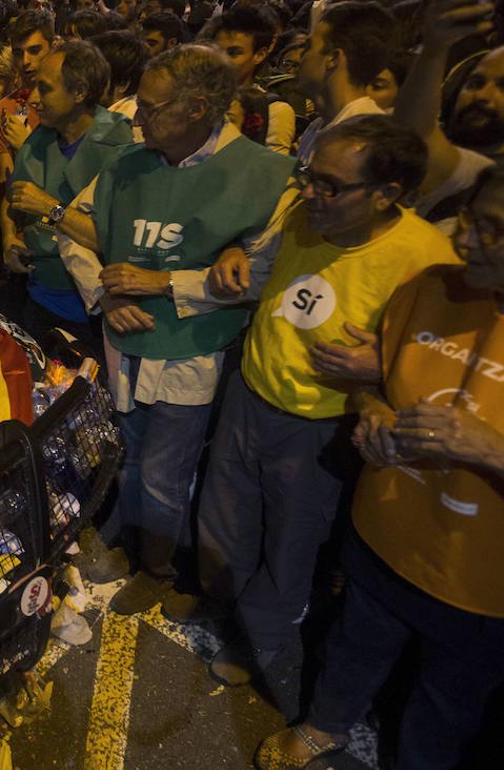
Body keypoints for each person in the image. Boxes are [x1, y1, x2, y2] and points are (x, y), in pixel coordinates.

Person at [172, 115, 460, 691]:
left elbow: (447, 361)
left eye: (329, 185)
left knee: (292, 540)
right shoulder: (305, 215)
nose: (308, 193)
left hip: (323, 425)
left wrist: (386, 365)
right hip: (252, 393)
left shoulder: (427, 259)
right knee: (227, 516)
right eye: (308, 175)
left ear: (386, 194)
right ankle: (223, 601)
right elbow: (259, 264)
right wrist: (234, 251)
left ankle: (262, 636)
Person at [254, 164, 504, 770]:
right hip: (385, 533)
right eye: (471, 220)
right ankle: (324, 726)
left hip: (482, 584)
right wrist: (371, 412)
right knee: (354, 645)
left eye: (494, 230)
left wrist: (488, 449)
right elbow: (375, 381)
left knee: (445, 708)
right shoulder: (433, 287)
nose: (468, 240)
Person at [58, 45, 296, 607]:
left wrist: (163, 282)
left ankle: (159, 565)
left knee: (168, 471)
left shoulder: (264, 176)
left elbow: (259, 276)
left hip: (193, 350)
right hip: (125, 336)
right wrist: (105, 295)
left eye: (152, 107)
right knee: (129, 452)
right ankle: (132, 537)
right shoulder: (129, 162)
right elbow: (71, 229)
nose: (137, 119)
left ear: (198, 108)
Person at [2, 41, 134, 355]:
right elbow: (14, 197)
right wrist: (9, 238)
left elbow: (118, 240)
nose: (33, 99)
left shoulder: (120, 146)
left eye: (45, 89)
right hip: (38, 299)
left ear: (79, 92)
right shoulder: (41, 139)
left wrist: (50, 207)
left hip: (94, 312)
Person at [395, 0, 500, 231]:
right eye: (475, 83)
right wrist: (434, 50)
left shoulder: (487, 172)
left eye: (503, 88)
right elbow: (411, 136)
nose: (482, 95)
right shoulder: (469, 166)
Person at [294, 1, 398, 164]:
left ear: (333, 58)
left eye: (308, 47)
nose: (300, 57)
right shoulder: (319, 126)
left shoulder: (366, 138)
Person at [209, 4, 296, 155]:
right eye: (216, 51)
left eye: (233, 53)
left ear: (259, 55)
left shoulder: (274, 111)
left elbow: (272, 167)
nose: (222, 60)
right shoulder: (198, 98)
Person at [0, 10, 57, 185]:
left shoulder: (74, 104)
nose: (25, 61)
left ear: (53, 46)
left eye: (34, 50)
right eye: (18, 53)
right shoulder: (1, 112)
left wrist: (26, 145)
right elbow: (10, 184)